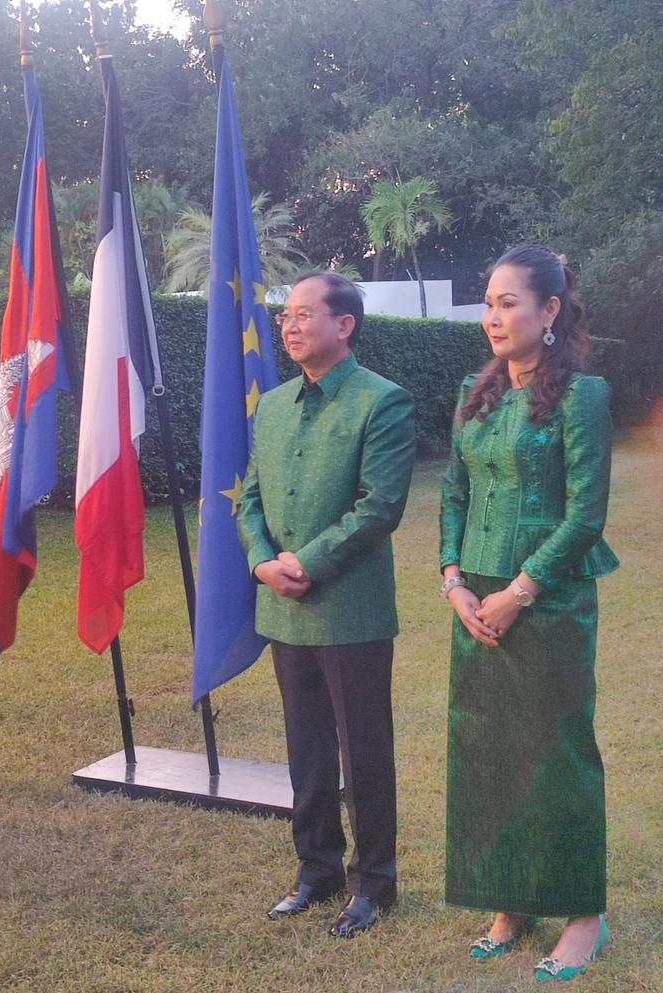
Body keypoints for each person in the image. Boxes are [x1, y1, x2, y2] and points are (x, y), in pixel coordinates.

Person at [440, 245, 619, 982]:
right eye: (488, 301)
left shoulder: (583, 396)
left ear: (548, 311)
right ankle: (510, 900)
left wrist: (519, 591)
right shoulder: (471, 392)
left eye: (509, 301)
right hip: (474, 599)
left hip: (546, 600)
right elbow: (453, 493)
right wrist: (453, 581)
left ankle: (583, 914)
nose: (492, 315)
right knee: (488, 751)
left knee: (558, 754)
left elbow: (585, 515)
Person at [237, 271, 416, 938]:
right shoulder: (275, 405)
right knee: (305, 746)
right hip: (284, 608)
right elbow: (249, 495)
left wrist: (305, 563)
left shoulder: (383, 402)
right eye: (285, 315)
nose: (289, 325)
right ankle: (317, 871)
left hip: (351, 610)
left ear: (344, 324)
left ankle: (376, 882)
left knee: (363, 747)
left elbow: (380, 505)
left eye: (304, 314)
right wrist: (261, 560)